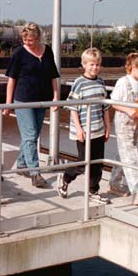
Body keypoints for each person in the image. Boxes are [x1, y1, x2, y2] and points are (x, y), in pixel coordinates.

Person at [3, 22, 61, 188]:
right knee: (29, 135)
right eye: (25, 40)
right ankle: (35, 173)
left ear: (38, 38)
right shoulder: (19, 53)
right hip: (23, 100)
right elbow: (11, 79)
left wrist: (55, 96)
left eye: (31, 40)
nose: (27, 42)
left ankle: (21, 164)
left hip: (42, 99)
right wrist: (8, 103)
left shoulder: (47, 51)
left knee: (33, 135)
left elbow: (53, 76)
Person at [57, 47, 111, 202]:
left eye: (97, 64)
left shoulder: (100, 82)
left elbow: (105, 107)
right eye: (91, 64)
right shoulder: (79, 83)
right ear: (84, 65)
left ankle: (93, 191)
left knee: (97, 163)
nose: (95, 67)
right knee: (83, 162)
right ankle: (66, 177)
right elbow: (72, 107)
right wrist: (79, 129)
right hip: (84, 131)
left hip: (98, 129)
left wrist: (108, 127)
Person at [109, 52, 138, 205]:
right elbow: (114, 102)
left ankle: (115, 183)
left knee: (124, 153)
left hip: (134, 123)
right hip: (124, 123)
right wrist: (128, 110)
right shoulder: (123, 82)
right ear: (134, 68)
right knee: (131, 156)